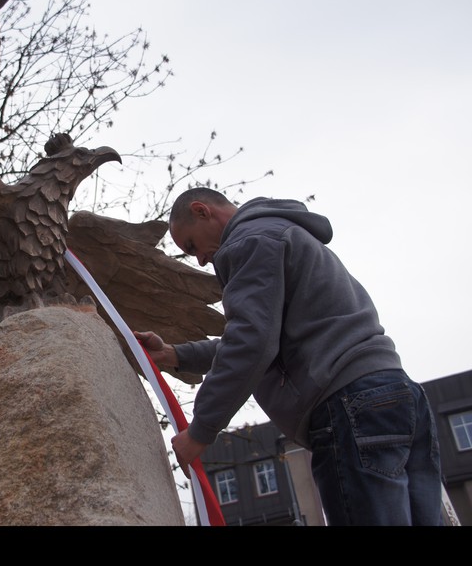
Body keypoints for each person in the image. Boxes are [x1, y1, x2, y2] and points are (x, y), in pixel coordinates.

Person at [134, 188, 443, 526]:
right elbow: (263, 338)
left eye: (191, 245)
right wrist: (175, 354)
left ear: (202, 211)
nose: (201, 260)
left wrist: (200, 431)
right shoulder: (281, 233)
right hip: (398, 398)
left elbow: (252, 342)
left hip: (347, 406)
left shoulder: (249, 243)